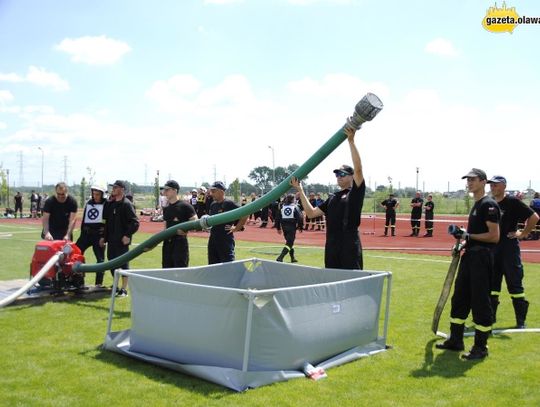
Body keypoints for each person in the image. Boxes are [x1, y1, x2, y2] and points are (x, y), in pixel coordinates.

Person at [436, 168, 500, 360]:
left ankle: (481, 347)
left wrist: (468, 236)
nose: (469, 183)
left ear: (483, 182)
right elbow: (474, 236)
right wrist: (463, 242)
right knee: (460, 298)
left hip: (481, 259)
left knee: (480, 302)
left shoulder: (488, 205)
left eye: (473, 180)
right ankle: (456, 340)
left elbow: (494, 236)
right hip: (470, 257)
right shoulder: (476, 204)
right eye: (468, 180)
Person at [291, 126, 365, 270]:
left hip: (349, 244)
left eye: (342, 174)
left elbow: (358, 169)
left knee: (352, 282)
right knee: (332, 282)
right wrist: (300, 190)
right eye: (337, 174)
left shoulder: (355, 192)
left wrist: (351, 141)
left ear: (351, 177)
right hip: (331, 245)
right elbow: (311, 213)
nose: (338, 177)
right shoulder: (332, 197)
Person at [488, 175, 539, 328]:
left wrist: (523, 234)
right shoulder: (488, 203)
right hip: (493, 249)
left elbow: (534, 217)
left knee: (515, 284)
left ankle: (520, 322)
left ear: (503, 186)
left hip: (509, 249)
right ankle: (490, 318)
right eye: (491, 185)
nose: (492, 187)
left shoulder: (512, 202)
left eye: (496, 185)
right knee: (492, 285)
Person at [100, 180, 139, 297]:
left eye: (116, 187)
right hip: (111, 239)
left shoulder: (127, 204)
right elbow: (105, 221)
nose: (113, 189)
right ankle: (116, 285)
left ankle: (124, 289)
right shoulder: (110, 204)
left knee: (123, 264)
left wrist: (127, 235)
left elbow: (135, 223)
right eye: (113, 187)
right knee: (111, 262)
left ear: (122, 189)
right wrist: (103, 237)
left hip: (122, 240)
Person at [207, 181, 248, 264]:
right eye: (211, 191)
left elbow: (245, 214)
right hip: (213, 239)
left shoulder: (228, 204)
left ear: (221, 191)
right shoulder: (213, 205)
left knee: (228, 264)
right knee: (212, 265)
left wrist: (237, 228)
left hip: (225, 240)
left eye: (214, 191)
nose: (212, 193)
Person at [76, 185, 107, 287]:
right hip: (86, 234)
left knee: (100, 260)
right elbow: (84, 219)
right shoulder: (89, 203)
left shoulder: (106, 204)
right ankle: (79, 281)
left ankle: (98, 284)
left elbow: (108, 221)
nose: (95, 196)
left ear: (102, 194)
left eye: (97, 194)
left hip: (98, 235)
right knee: (76, 254)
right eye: (94, 194)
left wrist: (104, 236)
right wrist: (82, 233)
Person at [161, 180, 198, 268]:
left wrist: (186, 230)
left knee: (180, 270)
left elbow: (195, 222)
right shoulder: (166, 208)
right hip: (167, 244)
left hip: (180, 243)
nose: (165, 192)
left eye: (167, 190)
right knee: (166, 271)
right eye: (164, 190)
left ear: (175, 190)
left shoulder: (185, 206)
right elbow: (165, 227)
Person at [275, 194, 303, 262]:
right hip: (292, 227)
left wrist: (278, 228)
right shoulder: (295, 207)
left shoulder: (282, 207)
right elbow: (300, 218)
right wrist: (300, 227)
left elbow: (277, 218)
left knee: (289, 242)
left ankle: (292, 258)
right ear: (293, 199)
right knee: (289, 243)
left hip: (284, 227)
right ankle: (280, 257)